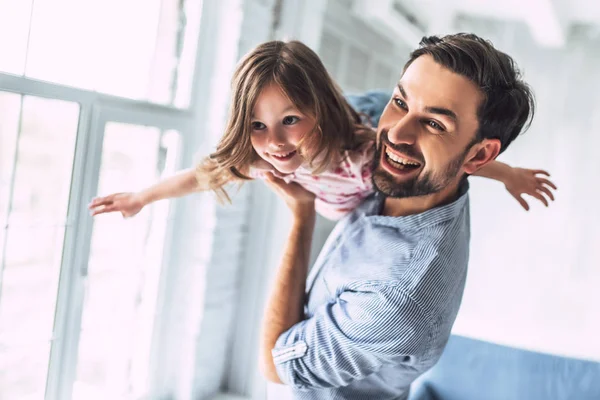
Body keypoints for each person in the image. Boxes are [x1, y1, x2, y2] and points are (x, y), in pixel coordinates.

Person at [257, 33, 542, 399]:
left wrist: (301, 217)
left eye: (435, 124)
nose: (396, 133)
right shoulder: (421, 174)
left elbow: (274, 364)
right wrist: (509, 174)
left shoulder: (396, 299)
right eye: (400, 102)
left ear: (478, 155)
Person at [88, 41, 556, 220]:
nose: (274, 143)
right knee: (372, 109)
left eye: (289, 119)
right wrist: (141, 197)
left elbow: (456, 158)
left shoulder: (366, 155)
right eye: (257, 126)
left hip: (351, 131)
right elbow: (202, 176)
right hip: (337, 133)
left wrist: (509, 173)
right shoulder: (260, 157)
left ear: (313, 110)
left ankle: (374, 103)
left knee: (385, 118)